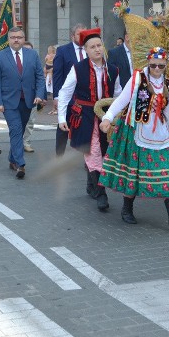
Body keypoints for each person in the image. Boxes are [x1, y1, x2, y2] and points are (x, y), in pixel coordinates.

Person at [99, 47, 169, 230]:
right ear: (148, 63)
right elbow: (121, 100)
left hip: (160, 134)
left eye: (161, 66)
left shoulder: (167, 85)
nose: (157, 69)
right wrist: (107, 118)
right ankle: (127, 209)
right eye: (154, 65)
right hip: (137, 131)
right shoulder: (137, 79)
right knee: (134, 172)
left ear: (166, 66)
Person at [58, 28, 121, 212]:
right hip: (85, 116)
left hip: (106, 117)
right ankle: (101, 193)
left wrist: (118, 114)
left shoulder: (113, 69)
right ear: (86, 50)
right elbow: (65, 93)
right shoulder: (78, 69)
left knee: (104, 151)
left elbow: (119, 94)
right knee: (93, 152)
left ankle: (91, 184)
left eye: (99, 45)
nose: (97, 49)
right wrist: (62, 117)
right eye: (92, 47)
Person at [0, 27, 46, 179]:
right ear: (8, 39)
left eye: (19, 37)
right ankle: (21, 164)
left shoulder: (32, 55)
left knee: (20, 130)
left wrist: (39, 95)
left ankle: (12, 158)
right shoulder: (0, 56)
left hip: (27, 101)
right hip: (8, 102)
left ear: (24, 39)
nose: (16, 40)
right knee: (15, 129)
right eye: (13, 37)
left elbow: (40, 77)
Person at [53, 24, 87, 156]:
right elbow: (57, 75)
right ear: (72, 36)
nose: (83, 36)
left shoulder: (90, 49)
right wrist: (56, 96)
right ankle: (59, 156)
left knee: (85, 127)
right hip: (68, 97)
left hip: (85, 97)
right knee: (64, 126)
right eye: (79, 34)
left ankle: (88, 157)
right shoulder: (63, 50)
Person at [22, 41, 40, 153]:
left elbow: (40, 79)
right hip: (17, 98)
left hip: (31, 97)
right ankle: (17, 142)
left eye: (30, 50)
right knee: (17, 123)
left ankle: (26, 143)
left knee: (30, 121)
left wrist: (40, 96)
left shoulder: (35, 63)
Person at [44, 44, 56, 112]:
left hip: (50, 74)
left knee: (52, 93)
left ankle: (54, 108)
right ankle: (54, 108)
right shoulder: (55, 56)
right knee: (53, 93)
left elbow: (45, 64)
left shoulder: (48, 56)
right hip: (51, 74)